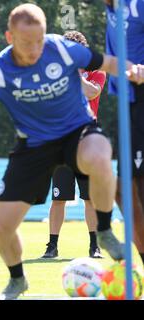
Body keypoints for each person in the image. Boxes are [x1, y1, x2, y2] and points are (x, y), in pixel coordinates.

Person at [0, 3, 144, 299]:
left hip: (76, 133)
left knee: (101, 152)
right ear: (9, 37)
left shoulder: (62, 50)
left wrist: (133, 70)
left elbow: (108, 62)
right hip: (33, 145)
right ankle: (17, 280)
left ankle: (103, 231)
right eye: (27, 42)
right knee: (2, 226)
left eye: (40, 39)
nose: (35, 48)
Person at [41, 31, 106, 260]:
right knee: (58, 198)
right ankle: (52, 246)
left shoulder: (97, 72)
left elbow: (92, 92)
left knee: (90, 198)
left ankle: (94, 246)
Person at [104, 0, 144, 265]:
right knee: (122, 191)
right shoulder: (111, 7)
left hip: (141, 97)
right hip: (126, 101)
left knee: (136, 189)